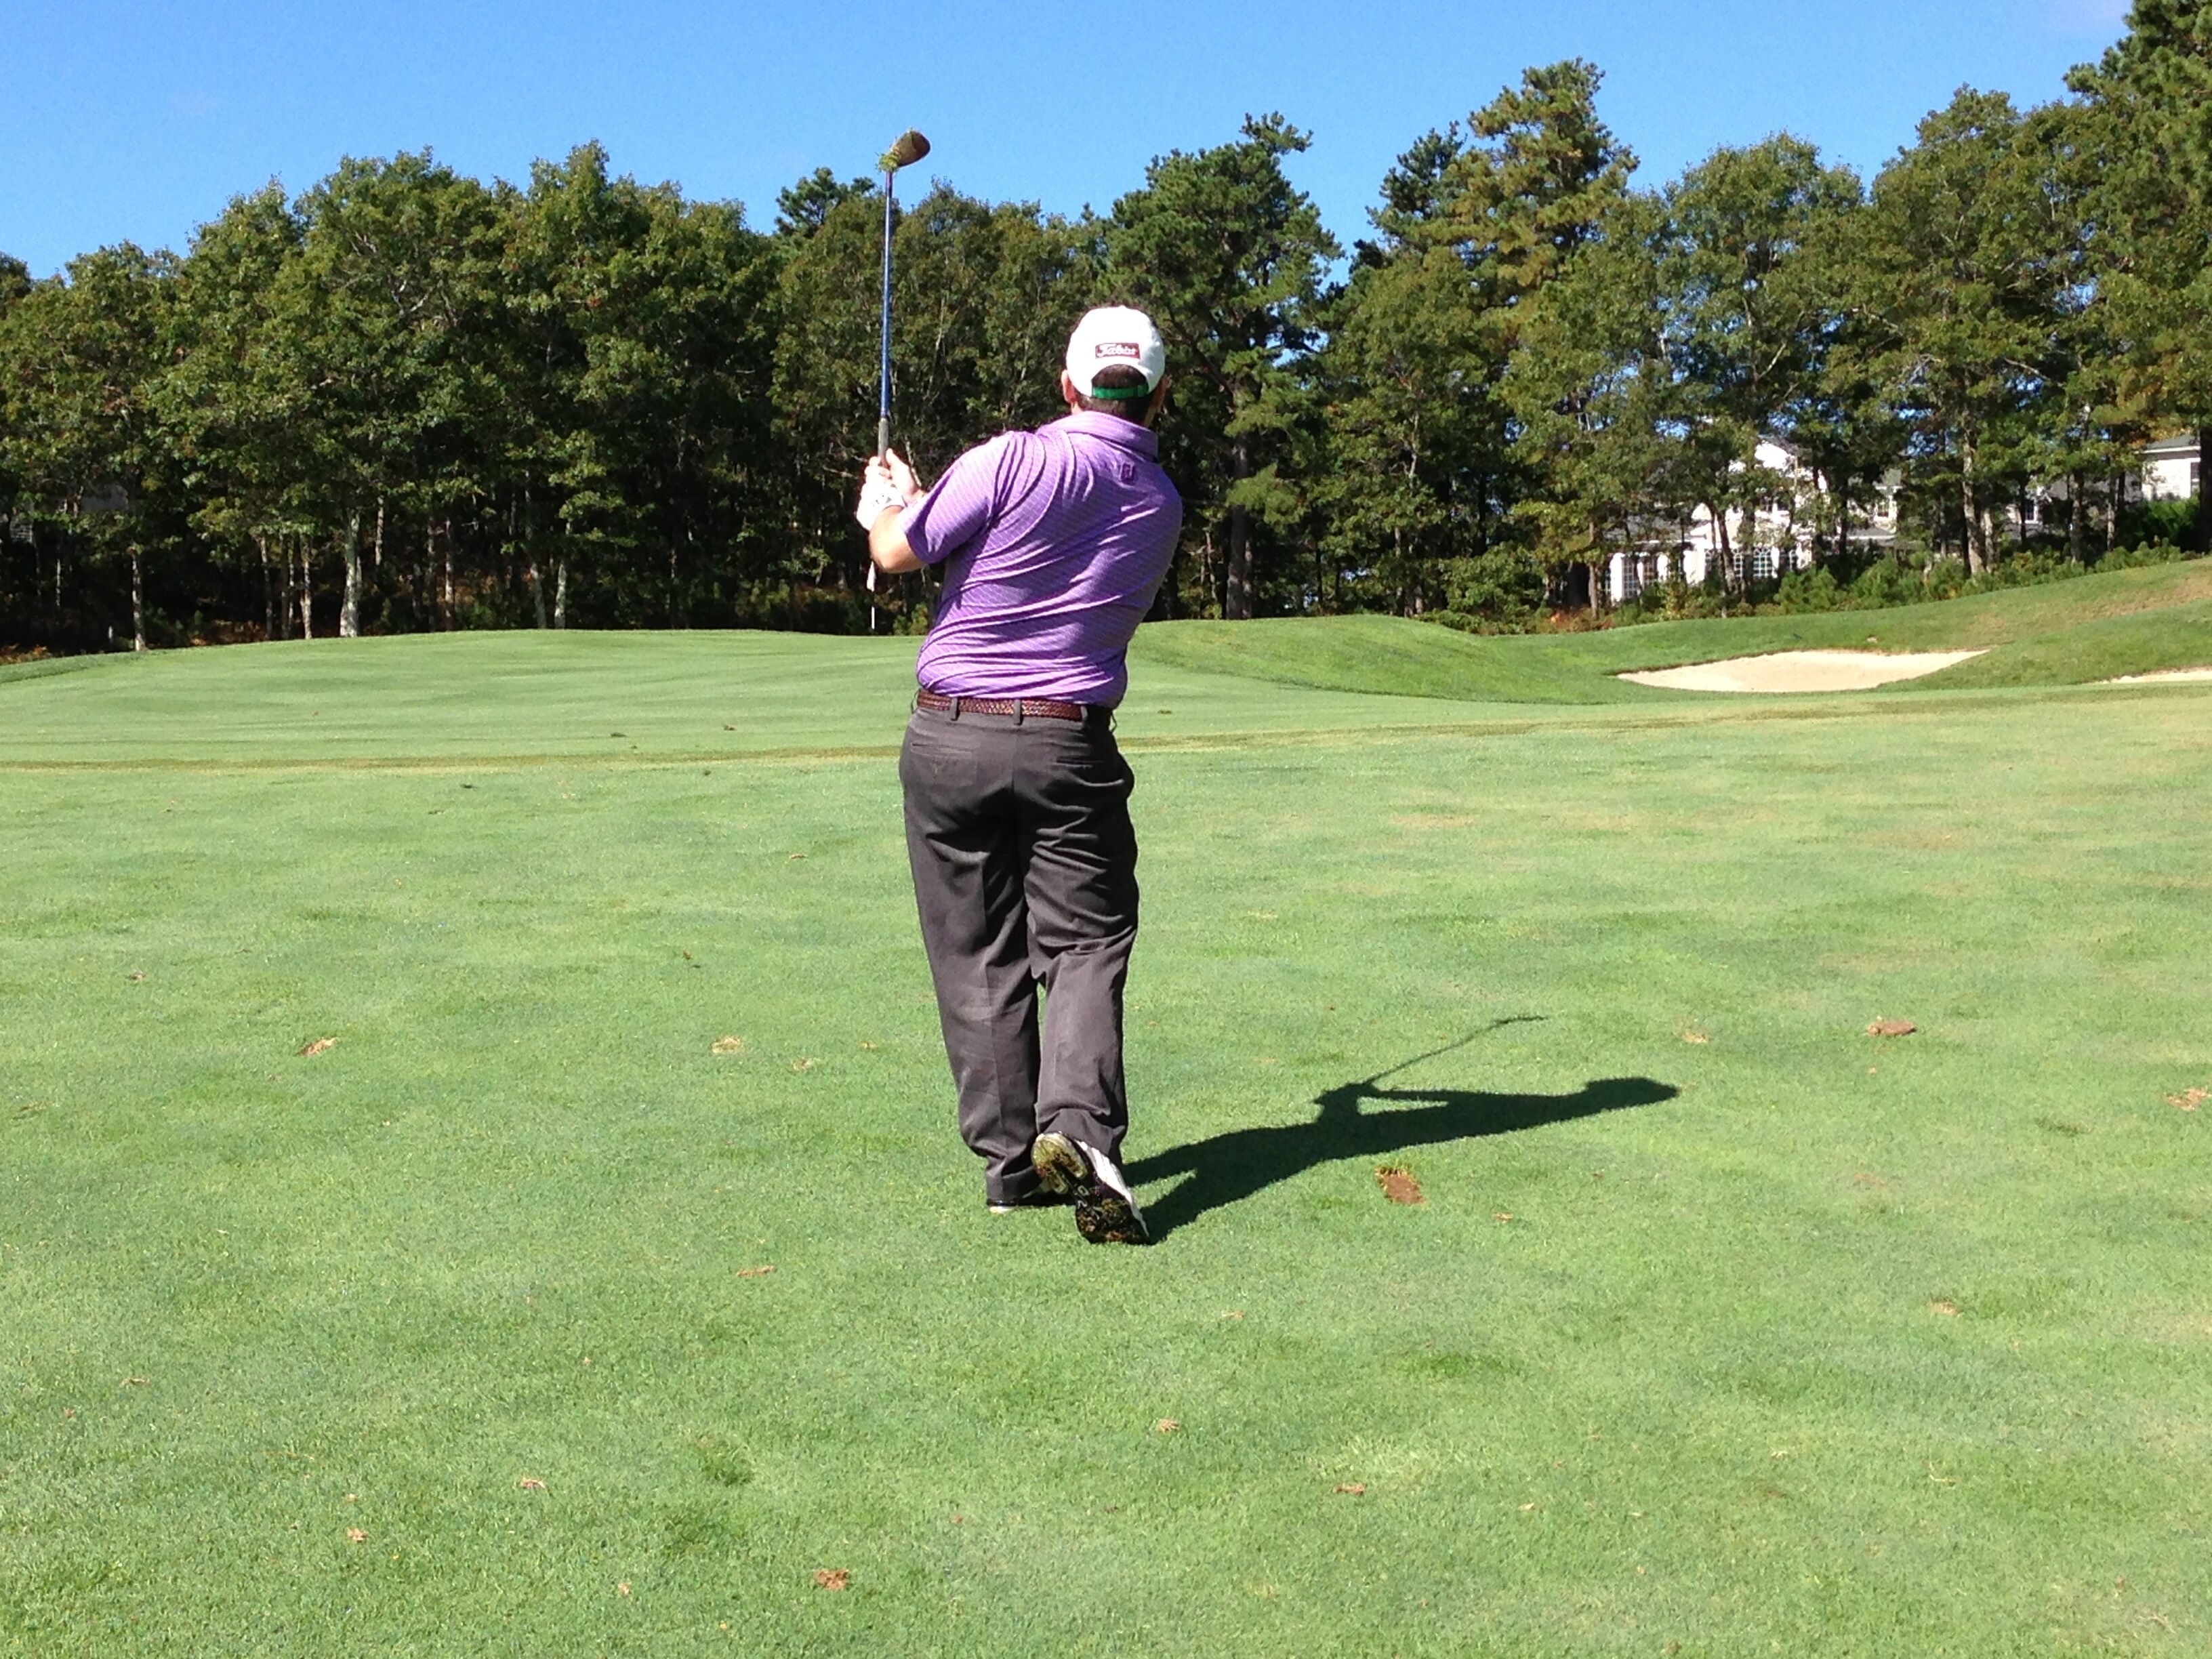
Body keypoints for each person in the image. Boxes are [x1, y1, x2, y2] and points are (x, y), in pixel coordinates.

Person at [855, 306, 1182, 1245]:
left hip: (950, 738)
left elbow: (898, 552)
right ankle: (1077, 1129)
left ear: (1067, 385)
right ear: (1160, 397)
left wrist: (885, 507)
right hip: (1067, 745)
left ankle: (1009, 1169)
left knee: (977, 952)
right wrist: (919, 504)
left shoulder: (1007, 460)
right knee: (1083, 942)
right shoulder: (1160, 502)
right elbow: (1041, 551)